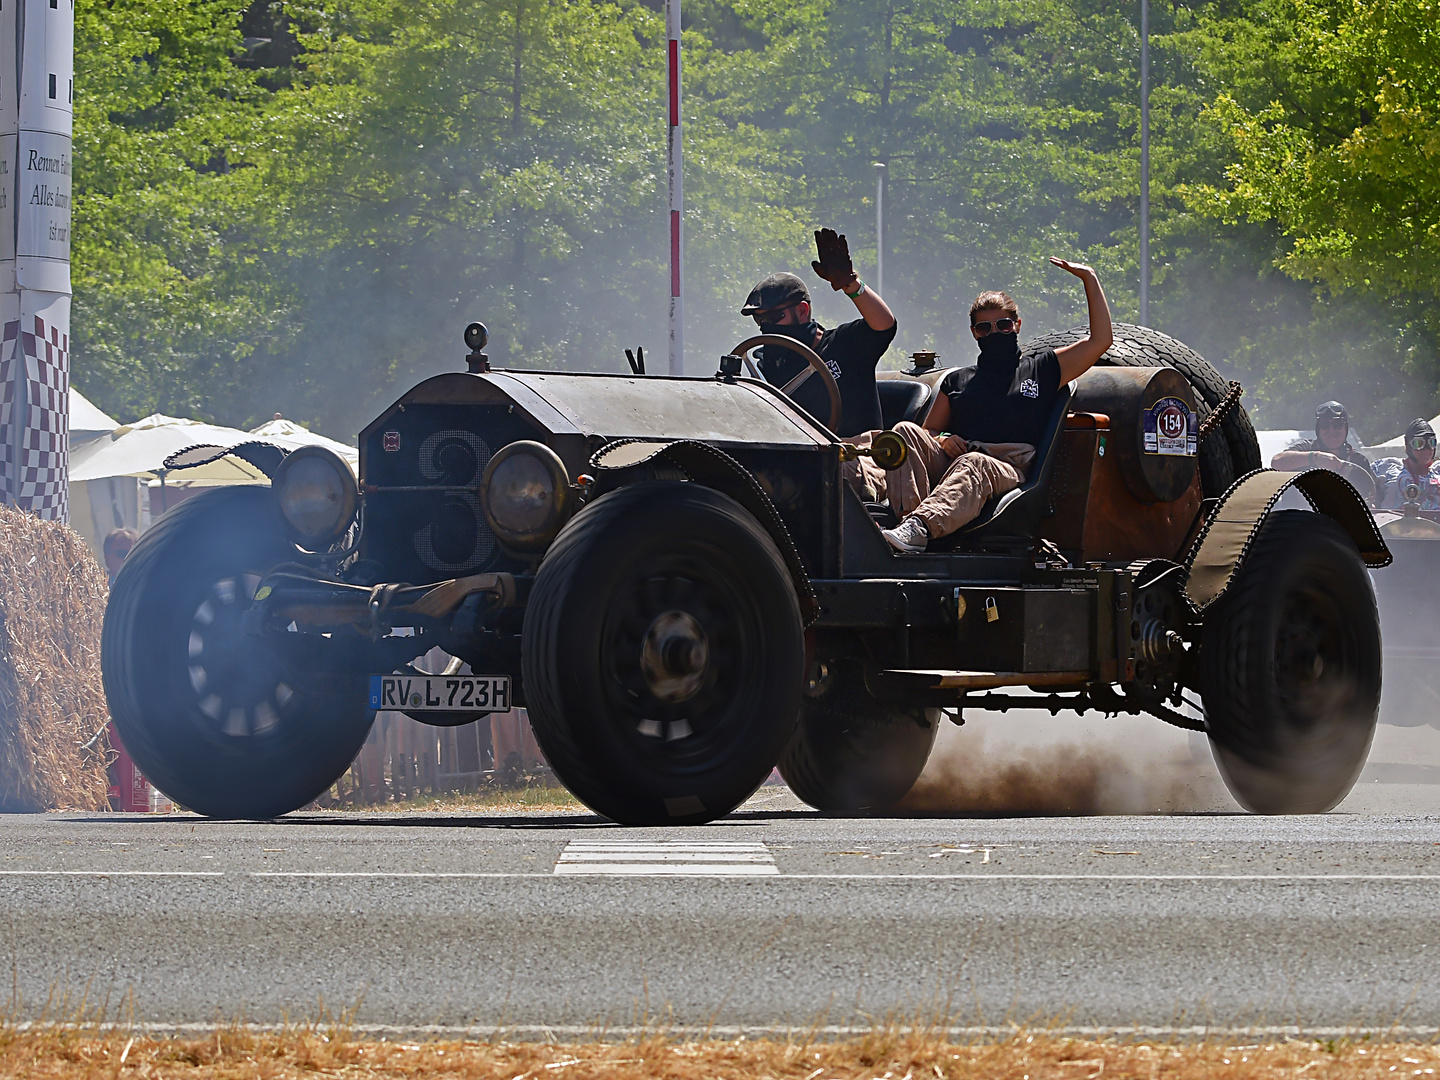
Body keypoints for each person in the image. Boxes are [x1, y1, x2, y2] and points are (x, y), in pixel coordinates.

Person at [853, 258, 1111, 553]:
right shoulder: (959, 380)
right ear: (974, 332)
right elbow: (930, 432)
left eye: (1003, 325)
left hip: (1006, 466)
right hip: (956, 464)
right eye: (984, 328)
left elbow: (1101, 340)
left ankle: (921, 527)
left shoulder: (1043, 369)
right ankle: (906, 525)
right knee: (903, 432)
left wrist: (1089, 278)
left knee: (973, 462)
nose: (994, 333)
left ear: (1017, 325)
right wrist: (944, 439)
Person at [742, 228, 897, 437]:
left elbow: (884, 325)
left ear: (803, 311)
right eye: (759, 320)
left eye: (774, 318)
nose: (765, 327)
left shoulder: (845, 344)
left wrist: (850, 284)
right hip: (802, 458)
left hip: (859, 454)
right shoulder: (766, 365)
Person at [1271, 400, 1376, 501]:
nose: (1331, 431)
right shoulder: (1306, 448)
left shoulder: (1358, 460)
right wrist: (1314, 457)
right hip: (1302, 515)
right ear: (1318, 429)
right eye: (1325, 426)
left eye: (1337, 425)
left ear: (1346, 428)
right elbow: (1277, 462)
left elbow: (1371, 497)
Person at [1372, 418, 1440, 510]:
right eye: (1419, 443)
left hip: (1434, 523)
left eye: (1432, 442)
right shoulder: (1387, 467)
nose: (1427, 449)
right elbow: (1361, 483)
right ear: (1408, 445)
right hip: (1391, 522)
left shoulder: (1438, 471)